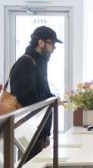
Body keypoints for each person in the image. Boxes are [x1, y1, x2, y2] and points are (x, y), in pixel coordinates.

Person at [9, 25, 62, 158]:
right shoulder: (27, 63)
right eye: (52, 43)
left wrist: (45, 134)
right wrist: (50, 100)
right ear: (40, 42)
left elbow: (40, 91)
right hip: (29, 130)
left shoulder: (39, 62)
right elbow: (27, 98)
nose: (54, 47)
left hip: (37, 131)